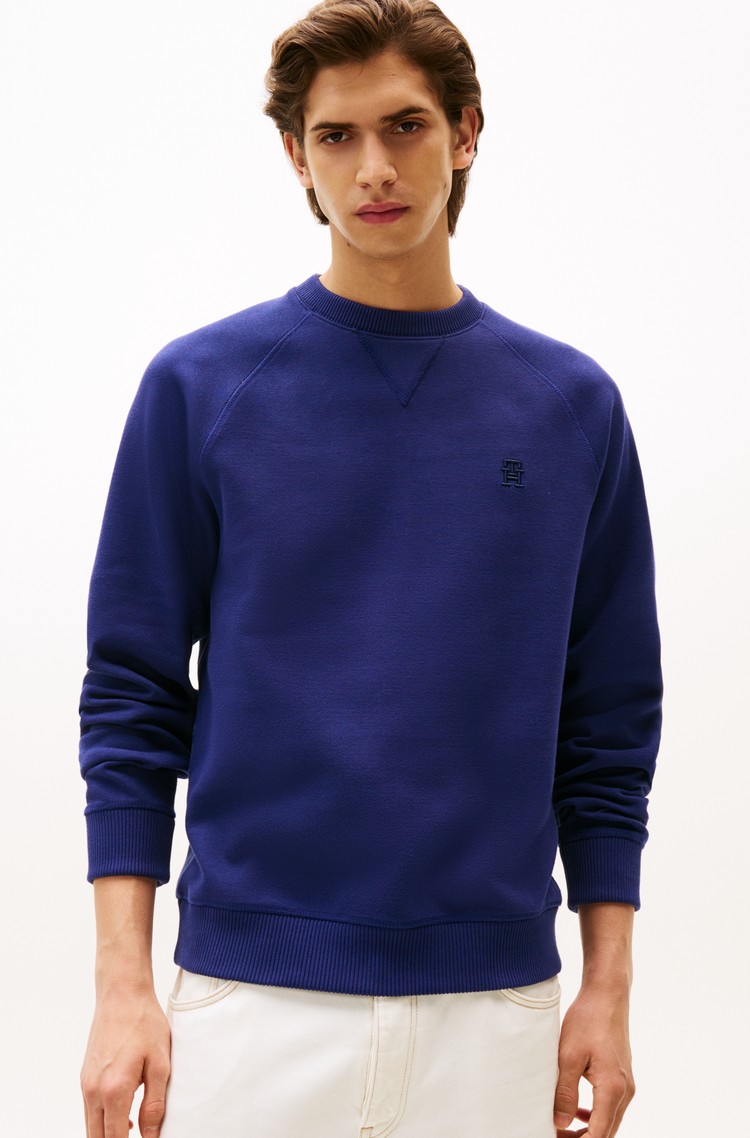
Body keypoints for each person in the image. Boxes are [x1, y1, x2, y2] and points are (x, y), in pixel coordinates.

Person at [78, 1, 662, 1136]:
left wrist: (609, 986)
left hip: (495, 1012)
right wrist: (120, 990)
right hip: (249, 1005)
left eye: (405, 126)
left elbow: (609, 723)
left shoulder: (572, 407)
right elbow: (131, 700)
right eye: (336, 136)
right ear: (296, 156)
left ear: (466, 132)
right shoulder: (202, 389)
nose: (374, 167)